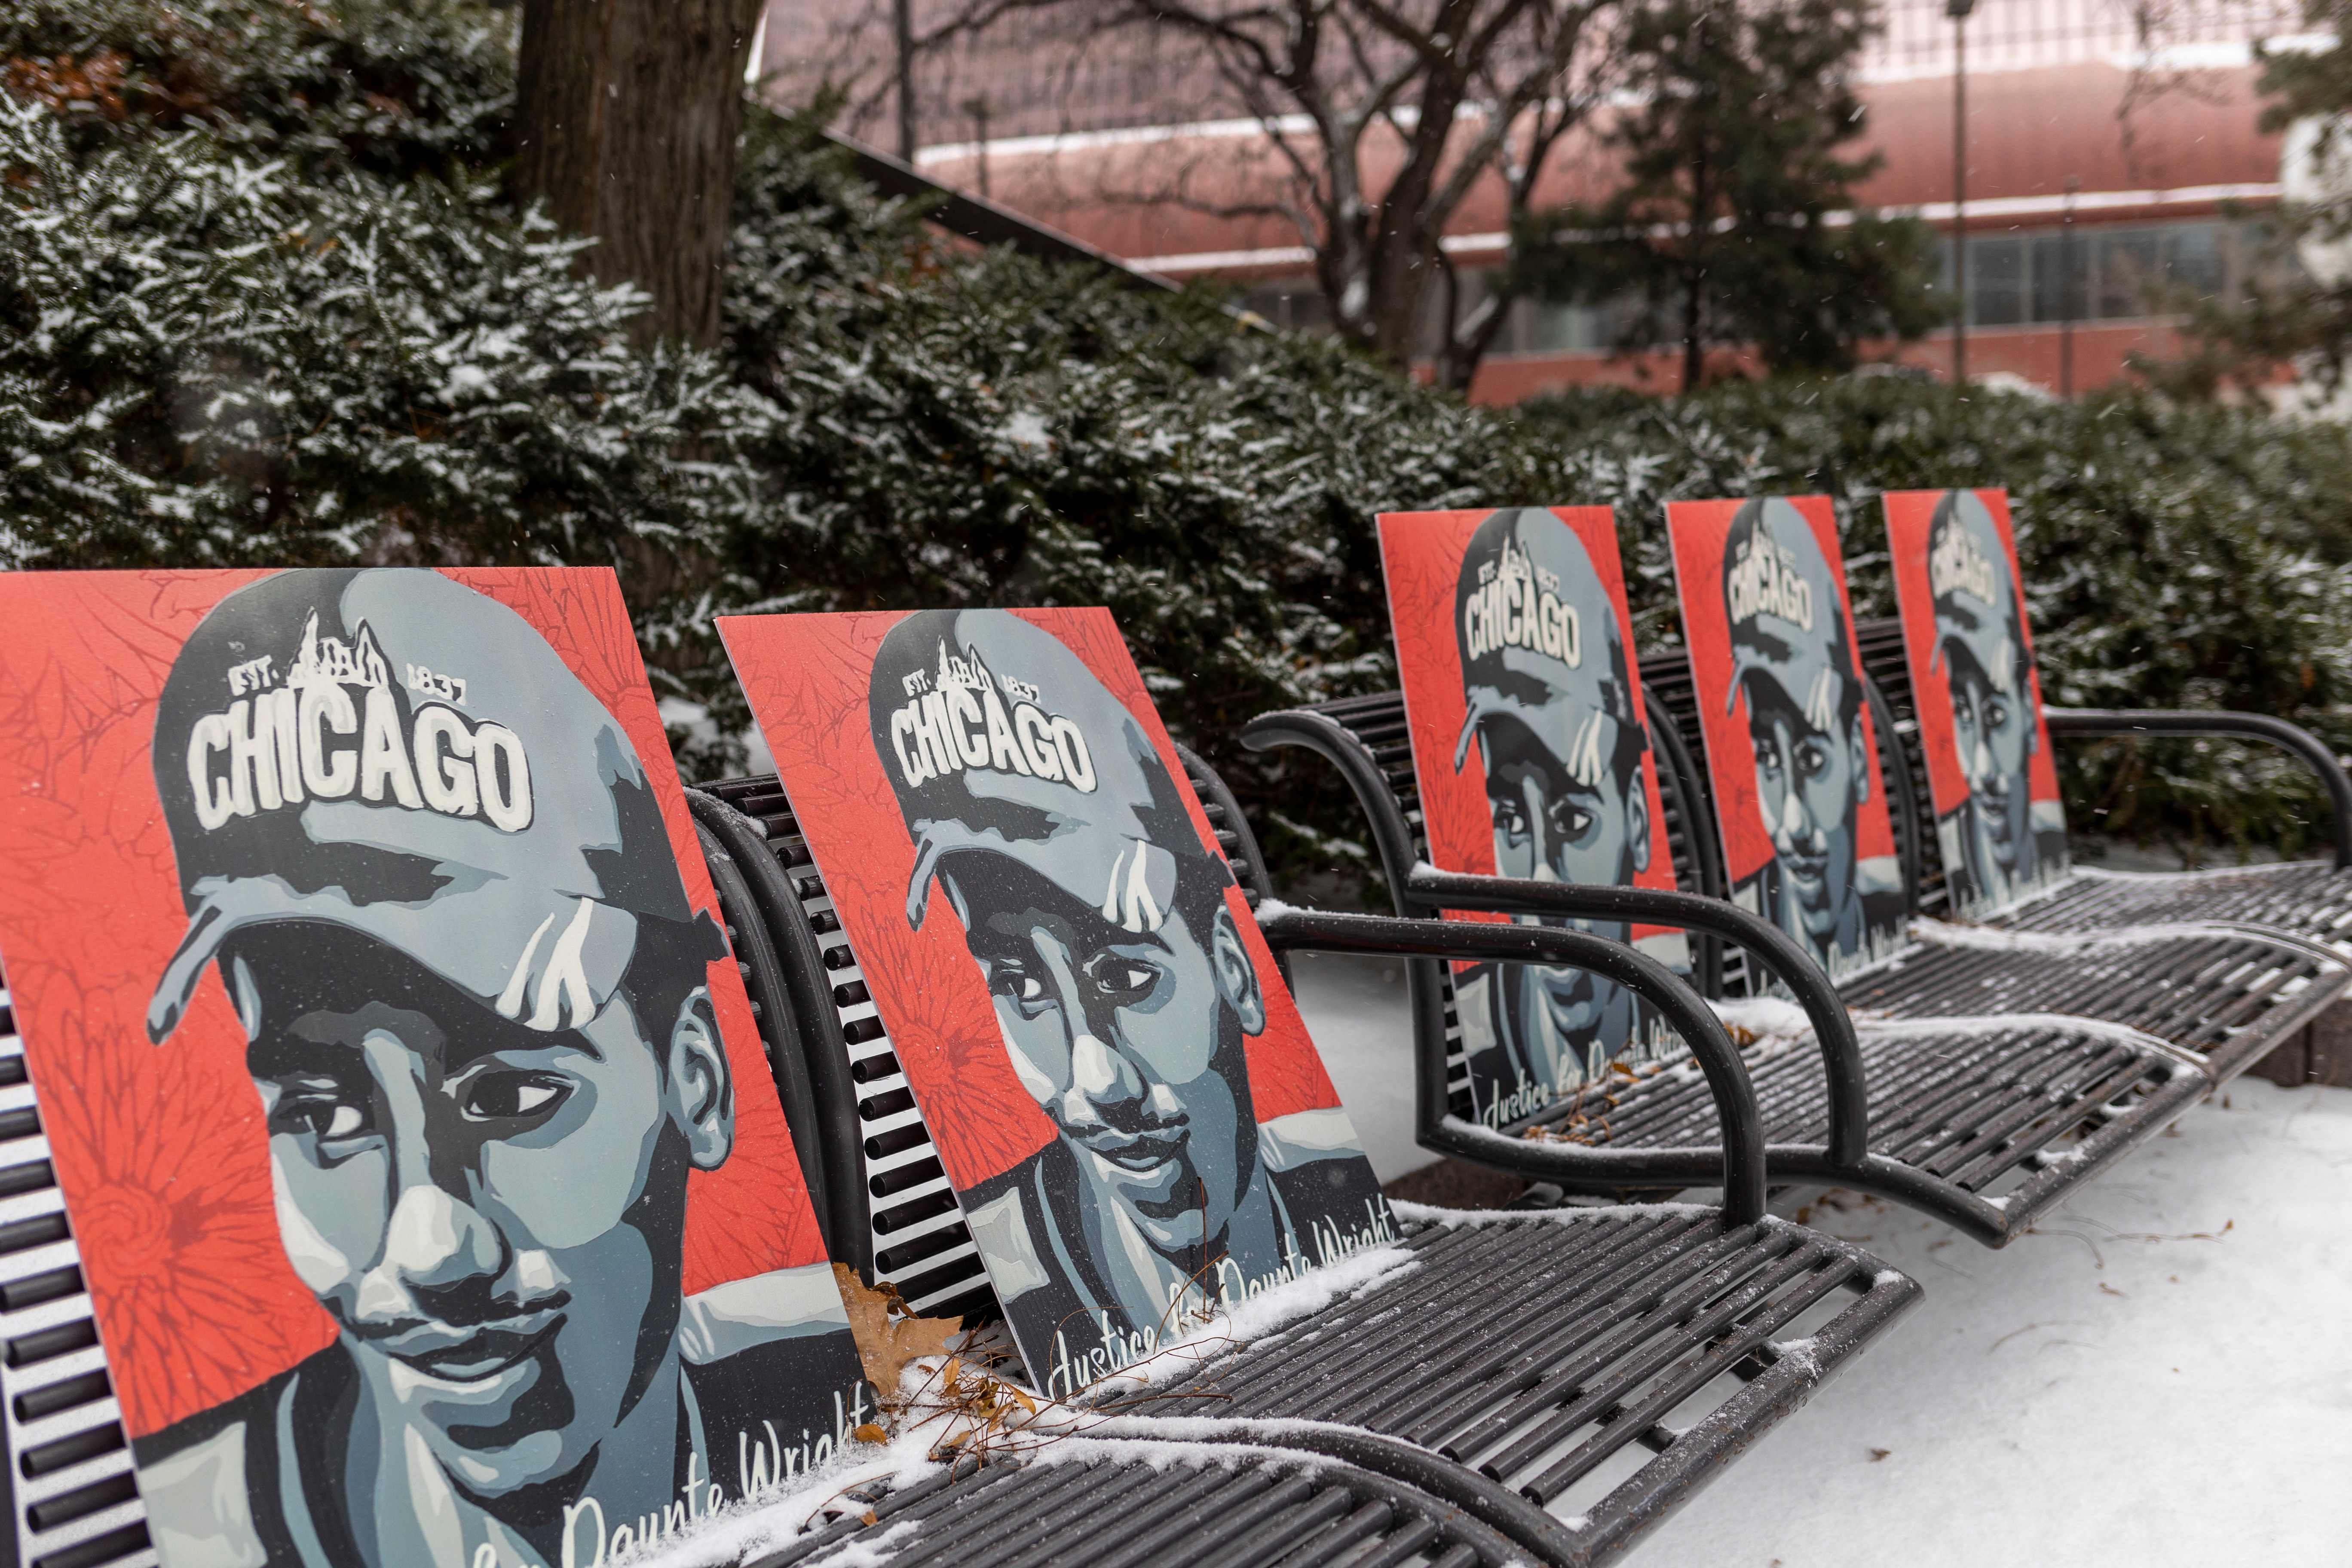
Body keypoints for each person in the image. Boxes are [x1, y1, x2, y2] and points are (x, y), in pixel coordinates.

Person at [135, 570, 864, 1568]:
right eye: (327, 1118)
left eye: (512, 1094)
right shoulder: (210, 1527)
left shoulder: (809, 1384)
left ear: (694, 1080)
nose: (433, 1248)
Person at [868, 610, 1386, 1388]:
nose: (1095, 1084)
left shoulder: (1331, 1196)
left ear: (1233, 971)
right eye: (1022, 986)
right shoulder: (1032, 1269)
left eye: (1126, 977)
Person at [1448, 509, 1684, 1120]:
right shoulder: (1491, 1034)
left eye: (1576, 822)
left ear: (1636, 819)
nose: (1542, 884)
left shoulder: (1675, 1007)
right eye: (1515, 824)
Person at [1719, 499, 1904, 975]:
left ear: (1858, 763)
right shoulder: (1743, 921)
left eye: (1814, 761)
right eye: (1770, 761)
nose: (1792, 824)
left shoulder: (1882, 910)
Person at [1926, 489, 2067, 913]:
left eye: (1997, 714)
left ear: (2027, 712)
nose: (1982, 769)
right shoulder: (1958, 844)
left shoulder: (2045, 843)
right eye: (1965, 715)